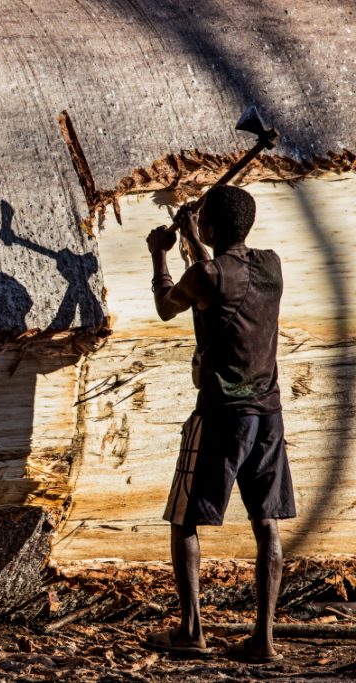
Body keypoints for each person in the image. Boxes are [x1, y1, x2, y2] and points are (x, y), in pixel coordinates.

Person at [144, 184, 295, 663]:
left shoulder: (205, 274)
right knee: (266, 523)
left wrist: (158, 257)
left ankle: (192, 631)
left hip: (221, 415)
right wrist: (197, 234)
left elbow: (170, 303)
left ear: (208, 228)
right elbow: (224, 276)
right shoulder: (271, 264)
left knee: (185, 518)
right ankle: (263, 640)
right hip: (267, 414)